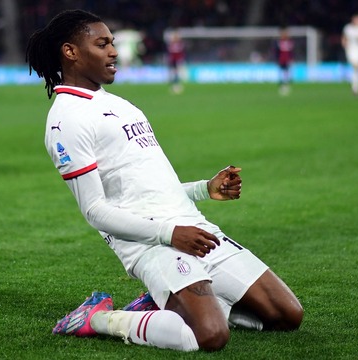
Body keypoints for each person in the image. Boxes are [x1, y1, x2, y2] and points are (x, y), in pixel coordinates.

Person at [26, 9, 303, 352]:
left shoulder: (120, 105)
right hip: (151, 242)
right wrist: (169, 234)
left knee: (287, 315)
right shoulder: (65, 120)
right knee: (209, 336)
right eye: (102, 44)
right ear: (70, 52)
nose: (114, 51)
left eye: (112, 42)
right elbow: (95, 210)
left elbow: (152, 185)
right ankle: (96, 318)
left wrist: (205, 188)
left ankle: (169, 303)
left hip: (193, 229)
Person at [274, 28, 294, 96]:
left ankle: (286, 83)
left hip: (287, 59)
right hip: (281, 59)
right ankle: (281, 83)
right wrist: (276, 59)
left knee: (287, 71)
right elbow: (276, 52)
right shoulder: (279, 42)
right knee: (281, 72)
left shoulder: (289, 42)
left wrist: (291, 59)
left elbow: (291, 52)